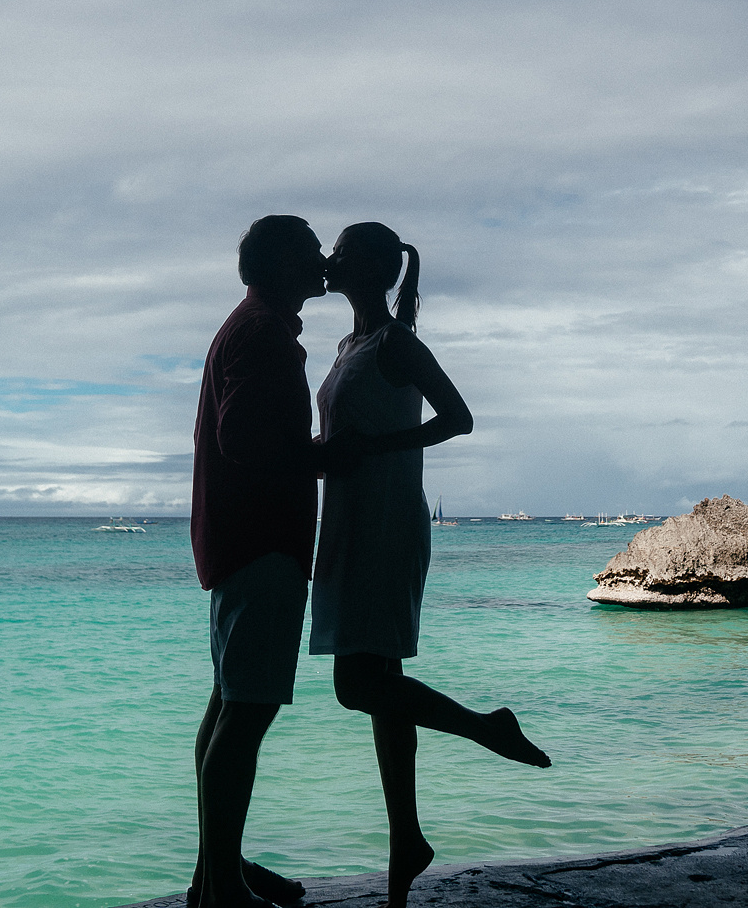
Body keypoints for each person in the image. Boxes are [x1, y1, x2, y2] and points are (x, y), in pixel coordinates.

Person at [311, 222, 551, 908]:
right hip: (350, 520)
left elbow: (459, 417)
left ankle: (485, 725)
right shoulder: (347, 346)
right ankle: (404, 851)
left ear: (371, 267)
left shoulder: (397, 344)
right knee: (383, 686)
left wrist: (379, 445)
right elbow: (341, 437)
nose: (328, 259)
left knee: (356, 685)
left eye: (341, 250)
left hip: (385, 523)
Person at [188, 215, 359, 908]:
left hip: (237, 540)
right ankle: (223, 885)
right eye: (310, 247)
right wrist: (325, 455)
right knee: (247, 712)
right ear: (282, 262)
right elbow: (245, 440)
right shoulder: (264, 335)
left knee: (229, 705)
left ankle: (214, 870)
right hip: (260, 541)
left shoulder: (253, 325)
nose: (322, 257)